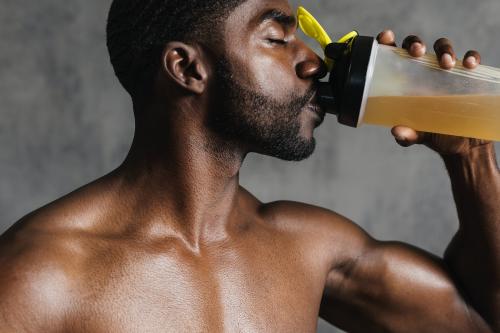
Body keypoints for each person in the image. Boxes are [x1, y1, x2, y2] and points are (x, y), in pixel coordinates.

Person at [0, 0, 498, 331]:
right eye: (277, 39)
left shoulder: (306, 246)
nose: (313, 63)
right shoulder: (39, 275)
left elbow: (478, 318)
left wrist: (470, 156)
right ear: (188, 68)